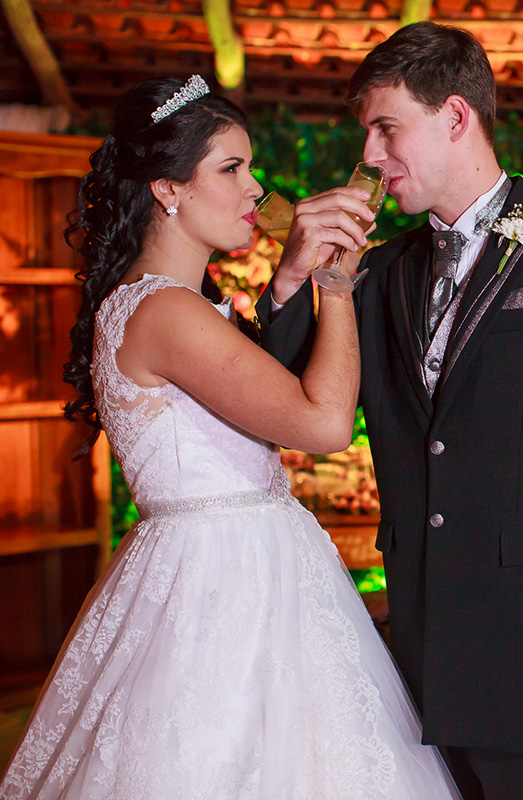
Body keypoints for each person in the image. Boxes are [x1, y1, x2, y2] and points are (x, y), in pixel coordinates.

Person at [0, 76, 459, 800]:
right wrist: (335, 284)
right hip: (221, 591)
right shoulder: (164, 313)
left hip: (239, 569)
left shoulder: (185, 305)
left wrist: (291, 276)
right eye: (231, 168)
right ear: (167, 190)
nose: (256, 190)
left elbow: (255, 399)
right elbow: (323, 422)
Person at [257, 22, 523, 800]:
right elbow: (284, 402)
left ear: (456, 117)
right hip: (415, 658)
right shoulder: (376, 273)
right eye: (368, 136)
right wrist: (293, 280)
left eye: (387, 129)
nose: (371, 158)